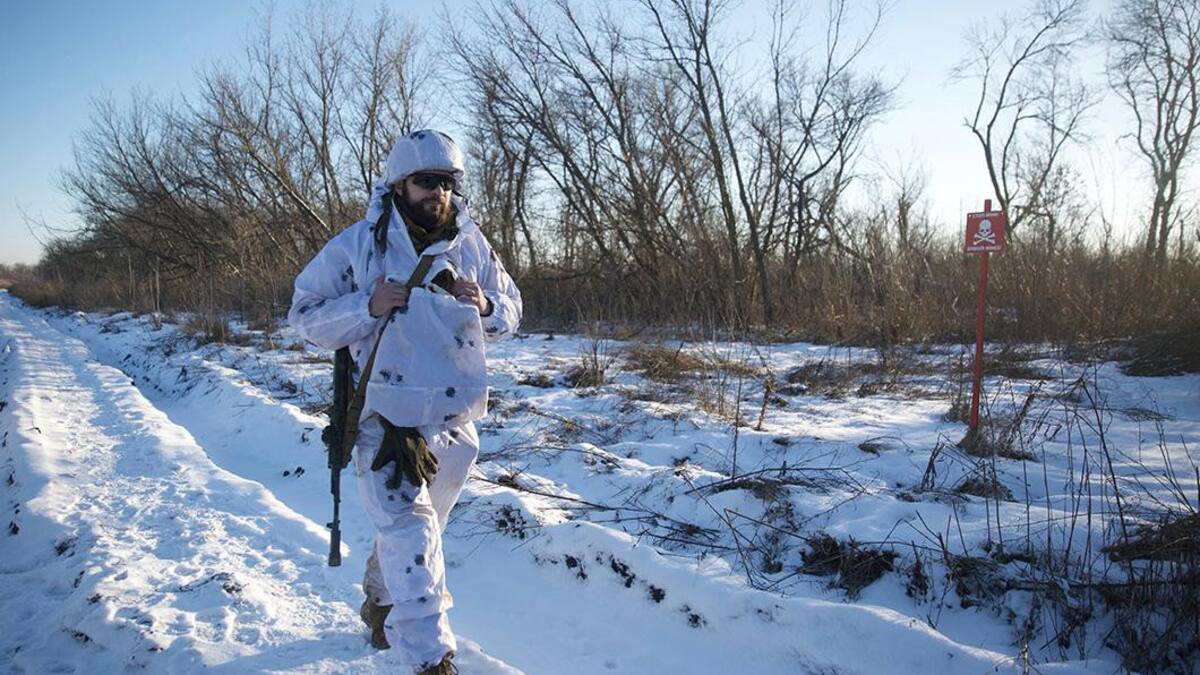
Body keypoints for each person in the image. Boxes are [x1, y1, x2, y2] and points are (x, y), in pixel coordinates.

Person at [288, 129, 522, 674]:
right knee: (412, 533)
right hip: (385, 417)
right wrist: (364, 305)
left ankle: (382, 596)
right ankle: (429, 658)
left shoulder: (472, 245)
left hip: (454, 417)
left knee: (421, 529)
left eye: (446, 182)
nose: (436, 192)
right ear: (399, 184)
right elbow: (303, 314)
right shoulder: (359, 246)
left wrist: (486, 304)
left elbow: (513, 309)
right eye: (425, 181)